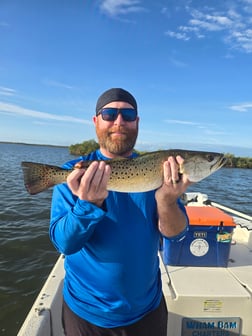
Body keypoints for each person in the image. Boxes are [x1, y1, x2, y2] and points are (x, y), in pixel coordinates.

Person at [49, 88, 190, 336]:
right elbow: (64, 244)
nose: (119, 122)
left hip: (148, 309)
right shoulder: (73, 172)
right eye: (109, 113)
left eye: (128, 114)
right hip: (86, 313)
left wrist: (167, 201)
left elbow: (176, 235)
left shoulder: (159, 171)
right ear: (95, 121)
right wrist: (87, 205)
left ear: (137, 121)